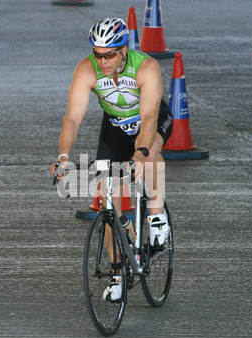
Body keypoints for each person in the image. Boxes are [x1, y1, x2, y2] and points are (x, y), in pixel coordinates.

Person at [51, 18, 173, 302]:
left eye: (109, 54)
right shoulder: (86, 69)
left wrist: (139, 154)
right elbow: (72, 116)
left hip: (149, 122)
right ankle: (117, 272)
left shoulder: (146, 67)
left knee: (150, 152)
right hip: (115, 128)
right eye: (97, 54)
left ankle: (156, 215)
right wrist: (64, 157)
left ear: (124, 49)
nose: (102, 61)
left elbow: (149, 118)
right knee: (107, 202)